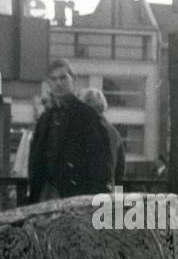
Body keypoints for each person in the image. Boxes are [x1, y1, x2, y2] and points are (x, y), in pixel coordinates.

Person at [28, 58, 113, 203]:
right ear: (49, 83)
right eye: (53, 79)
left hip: (77, 194)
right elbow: (35, 160)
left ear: (73, 80)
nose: (58, 83)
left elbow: (100, 163)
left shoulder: (88, 116)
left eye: (63, 78)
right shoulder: (45, 119)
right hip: (47, 193)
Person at [81, 87, 127, 186]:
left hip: (84, 192)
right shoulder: (114, 132)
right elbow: (120, 170)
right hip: (107, 192)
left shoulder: (81, 131)